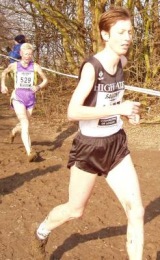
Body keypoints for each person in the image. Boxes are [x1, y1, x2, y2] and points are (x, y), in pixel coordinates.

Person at [36, 6, 144, 259]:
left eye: (130, 31)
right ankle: (42, 230)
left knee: (136, 211)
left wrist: (127, 113)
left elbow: (110, 101)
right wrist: (119, 107)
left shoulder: (123, 62)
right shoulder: (92, 67)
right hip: (89, 148)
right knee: (75, 211)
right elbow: (73, 112)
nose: (127, 37)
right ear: (105, 35)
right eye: (121, 32)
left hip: (116, 145)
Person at [1, 43, 48, 162]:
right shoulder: (14, 65)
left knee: (24, 123)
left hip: (31, 99)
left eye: (30, 54)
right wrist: (3, 85)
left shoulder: (36, 66)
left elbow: (46, 80)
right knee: (25, 123)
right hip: (18, 97)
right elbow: (4, 72)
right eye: (26, 54)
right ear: (21, 54)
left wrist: (38, 87)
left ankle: (14, 130)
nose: (28, 56)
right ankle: (30, 151)